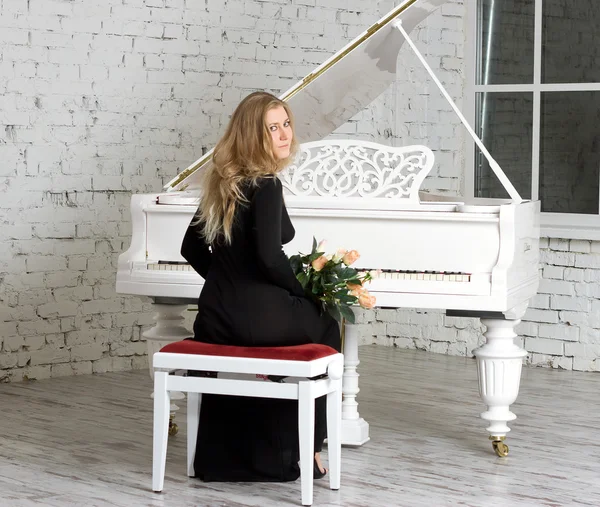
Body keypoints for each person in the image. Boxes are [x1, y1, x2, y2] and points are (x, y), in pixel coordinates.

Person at [180, 91, 341, 482]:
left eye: (286, 123)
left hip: (215, 317)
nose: (285, 133)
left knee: (303, 321)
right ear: (255, 134)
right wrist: (303, 292)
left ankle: (268, 425)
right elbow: (270, 257)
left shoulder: (222, 180)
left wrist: (227, 283)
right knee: (328, 322)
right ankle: (312, 447)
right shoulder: (266, 184)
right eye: (273, 127)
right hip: (257, 320)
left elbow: (190, 248)